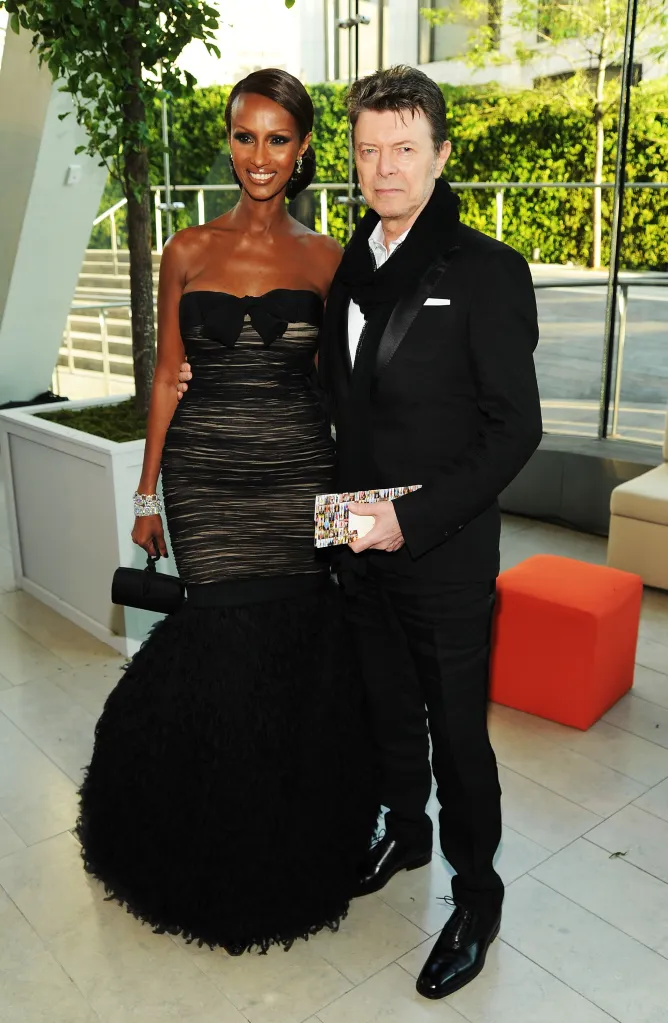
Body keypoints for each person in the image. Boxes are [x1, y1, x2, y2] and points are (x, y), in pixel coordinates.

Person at [178, 65, 542, 996]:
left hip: (443, 554)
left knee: (459, 736)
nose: (385, 169)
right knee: (388, 714)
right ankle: (408, 836)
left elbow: (516, 430)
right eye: (370, 150)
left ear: (440, 155)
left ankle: (478, 892)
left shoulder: (488, 271)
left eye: (405, 150)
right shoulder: (348, 269)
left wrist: (408, 519)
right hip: (353, 549)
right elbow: (339, 405)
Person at [77, 68, 377, 955]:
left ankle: (290, 846)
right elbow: (168, 375)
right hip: (206, 478)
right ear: (229, 141)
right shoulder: (186, 249)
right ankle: (208, 844)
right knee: (220, 652)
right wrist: (147, 494)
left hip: (298, 476)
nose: (259, 156)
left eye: (278, 138)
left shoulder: (330, 258)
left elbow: (347, 392)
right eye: (245, 136)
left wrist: (361, 497)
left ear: (304, 149)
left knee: (295, 654)